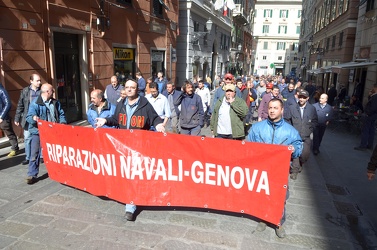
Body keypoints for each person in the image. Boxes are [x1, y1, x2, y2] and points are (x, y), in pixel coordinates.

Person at [95, 79, 165, 221]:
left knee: (132, 175)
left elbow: (155, 118)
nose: (129, 90)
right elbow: (115, 120)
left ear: (137, 89)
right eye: (127, 87)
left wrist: (158, 125)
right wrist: (106, 121)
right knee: (125, 174)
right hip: (122, 147)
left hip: (138, 148)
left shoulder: (145, 104)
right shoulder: (121, 103)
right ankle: (127, 196)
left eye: (132, 87)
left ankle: (130, 206)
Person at [247, 98, 302, 238]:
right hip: (261, 170)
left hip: (280, 172)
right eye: (270, 107)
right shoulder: (257, 127)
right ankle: (263, 218)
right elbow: (248, 146)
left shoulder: (290, 131)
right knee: (262, 195)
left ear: (282, 110)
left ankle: (278, 222)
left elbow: (299, 147)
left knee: (280, 198)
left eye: (275, 108)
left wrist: (293, 149)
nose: (272, 110)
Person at [25, 83, 67, 184]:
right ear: (48, 92)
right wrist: (33, 118)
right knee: (34, 153)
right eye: (52, 90)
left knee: (56, 152)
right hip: (38, 132)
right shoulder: (35, 103)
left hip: (53, 131)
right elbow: (28, 117)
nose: (53, 92)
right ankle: (32, 174)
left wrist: (62, 123)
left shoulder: (55, 102)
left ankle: (59, 171)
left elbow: (61, 113)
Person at [285, 90, 318, 180]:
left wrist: (310, 129)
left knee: (305, 155)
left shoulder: (312, 109)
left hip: (306, 136)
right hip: (295, 136)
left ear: (307, 98)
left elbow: (315, 121)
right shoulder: (292, 108)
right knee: (295, 153)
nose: (301, 99)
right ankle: (294, 171)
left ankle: (301, 163)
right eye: (300, 97)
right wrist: (290, 131)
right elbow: (287, 120)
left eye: (303, 97)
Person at [14, 74, 41, 164]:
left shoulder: (42, 90)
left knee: (41, 137)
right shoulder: (25, 91)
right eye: (37, 81)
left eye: (39, 80)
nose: (39, 82)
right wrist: (17, 118)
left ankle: (41, 156)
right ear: (31, 81)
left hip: (40, 118)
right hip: (28, 118)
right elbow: (20, 105)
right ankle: (28, 157)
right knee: (27, 138)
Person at [355, 84, 377, 151]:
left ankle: (363, 145)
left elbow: (373, 107)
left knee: (366, 130)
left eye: (373, 87)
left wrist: (367, 113)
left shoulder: (375, 97)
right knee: (371, 130)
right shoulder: (374, 96)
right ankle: (369, 145)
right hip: (373, 116)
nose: (372, 88)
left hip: (370, 116)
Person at [0, 82, 19, 157]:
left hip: (3, 117)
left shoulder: (1, 90)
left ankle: (15, 148)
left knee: (9, 133)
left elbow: (8, 104)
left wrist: (2, 116)